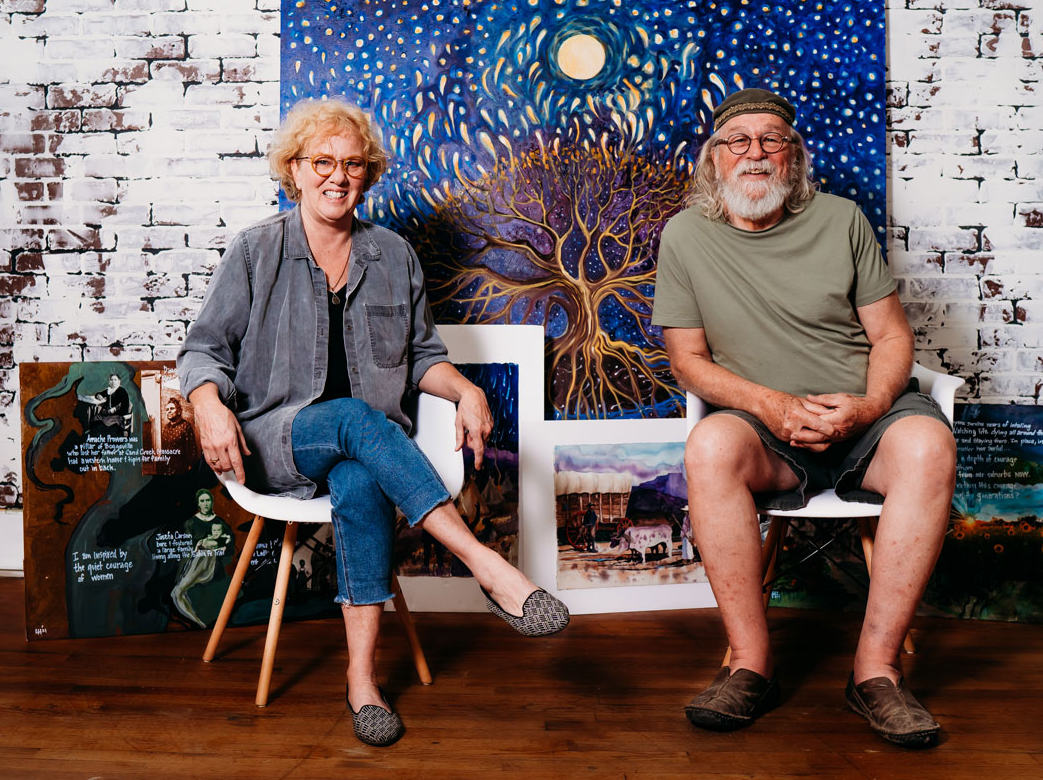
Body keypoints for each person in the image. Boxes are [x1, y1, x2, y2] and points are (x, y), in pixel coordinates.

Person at [177, 98, 569, 746]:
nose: (338, 176)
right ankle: (485, 564)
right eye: (322, 162)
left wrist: (466, 389)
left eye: (353, 164)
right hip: (277, 441)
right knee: (355, 419)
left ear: (369, 173)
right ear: (294, 171)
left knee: (360, 481)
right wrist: (209, 404)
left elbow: (423, 360)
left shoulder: (393, 255)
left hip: (368, 448)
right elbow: (202, 350)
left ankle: (362, 683)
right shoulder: (255, 250)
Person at [651, 88, 956, 748]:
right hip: (760, 422)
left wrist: (868, 408)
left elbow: (893, 339)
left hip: (862, 412)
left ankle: (876, 673)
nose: (755, 152)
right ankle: (750, 664)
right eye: (738, 140)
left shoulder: (842, 220)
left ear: (794, 156)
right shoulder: (684, 236)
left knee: (930, 446)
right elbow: (688, 361)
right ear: (713, 159)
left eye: (773, 140)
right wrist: (768, 404)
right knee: (708, 449)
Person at [170, 489, 234, 628]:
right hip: (194, 563)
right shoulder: (191, 522)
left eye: (208, 500)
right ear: (198, 504)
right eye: (202, 501)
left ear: (212, 502)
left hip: (215, 565)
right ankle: (196, 622)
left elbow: (230, 546)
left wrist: (217, 547)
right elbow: (188, 545)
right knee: (178, 592)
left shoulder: (220, 522)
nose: (205, 504)